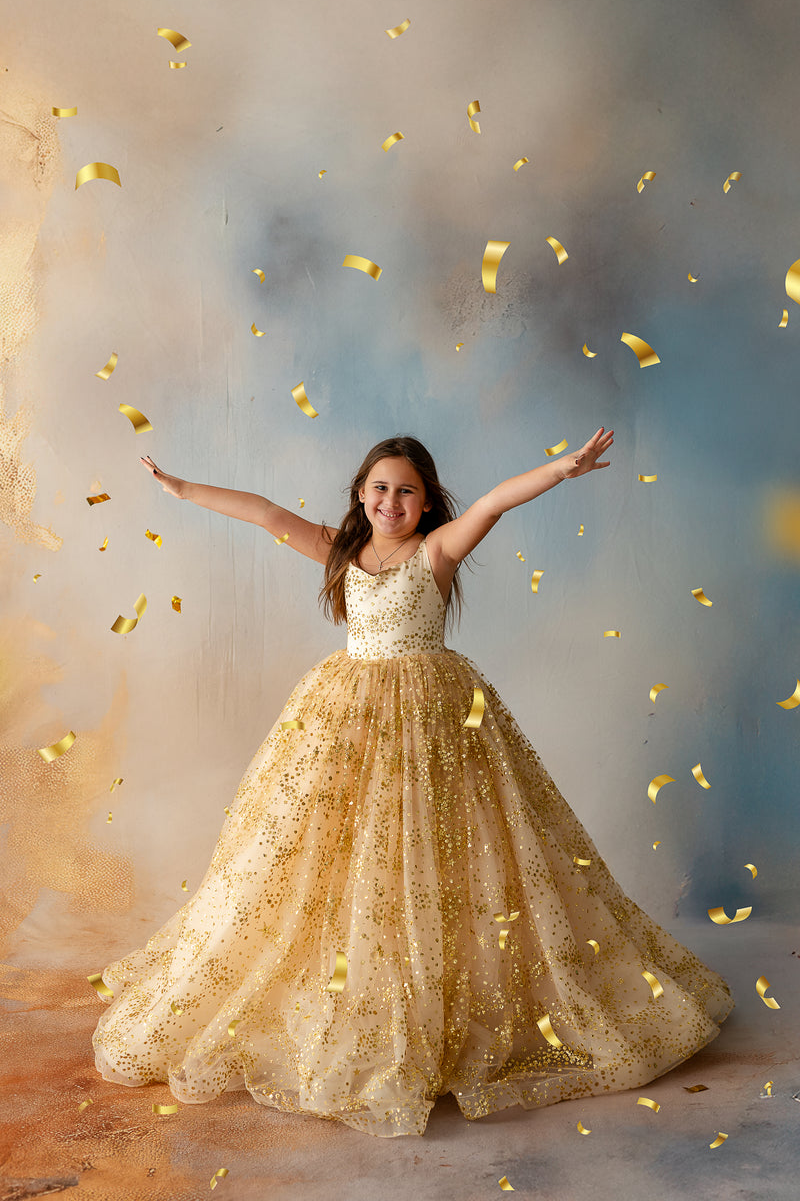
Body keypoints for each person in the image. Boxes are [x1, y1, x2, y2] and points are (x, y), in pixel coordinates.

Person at [92, 430, 733, 1137]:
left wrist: (562, 467)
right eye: (379, 488)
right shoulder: (342, 551)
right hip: (348, 719)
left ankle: (443, 998)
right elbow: (268, 514)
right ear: (360, 496)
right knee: (334, 855)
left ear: (426, 503)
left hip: (435, 721)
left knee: (447, 851)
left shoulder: (438, 552)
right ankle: (362, 992)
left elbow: (494, 502)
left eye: (405, 490)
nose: (390, 500)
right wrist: (182, 489)